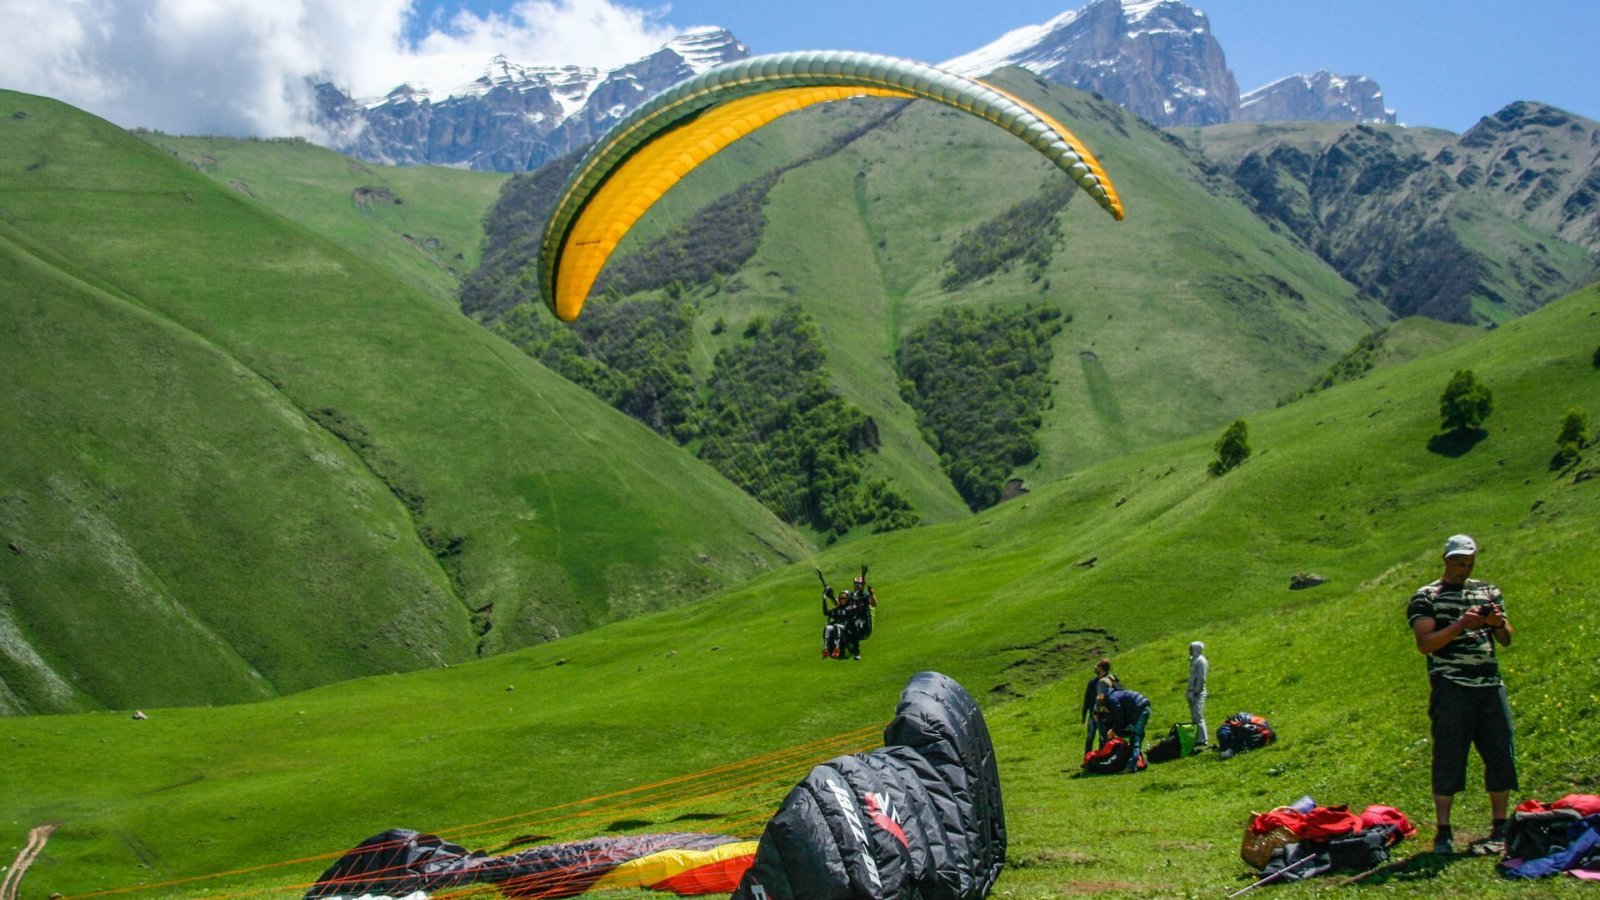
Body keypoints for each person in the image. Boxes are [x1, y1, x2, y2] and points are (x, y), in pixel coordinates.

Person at [1407, 533, 1516, 856]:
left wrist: (1496, 624)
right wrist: (1460, 626)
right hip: (1452, 686)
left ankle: (1500, 825)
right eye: (1458, 564)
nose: (1463, 570)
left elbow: (1507, 638)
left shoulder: (1487, 590)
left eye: (1468, 564)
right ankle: (1444, 830)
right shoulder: (1426, 597)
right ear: (1446, 560)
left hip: (1489, 684)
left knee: (1500, 752)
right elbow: (1425, 643)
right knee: (1449, 755)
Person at [1096, 687, 1151, 773]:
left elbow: (1120, 717)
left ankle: (1132, 766)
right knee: (1137, 736)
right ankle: (1141, 761)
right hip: (1141, 706)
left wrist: (1113, 730)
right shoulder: (1113, 695)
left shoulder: (1111, 701)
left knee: (1135, 737)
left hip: (1139, 709)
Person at [1080, 658, 1121, 753]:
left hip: (1104, 715)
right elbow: (1087, 698)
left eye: (1097, 666)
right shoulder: (1092, 683)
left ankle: (1102, 755)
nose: (1095, 667)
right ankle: (1087, 758)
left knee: (1103, 736)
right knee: (1090, 736)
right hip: (1092, 714)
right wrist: (1084, 714)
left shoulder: (1110, 681)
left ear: (1101, 669)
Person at [840, 575, 877, 660]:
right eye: (856, 584)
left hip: (865, 627)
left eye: (859, 584)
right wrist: (830, 597)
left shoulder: (865, 596)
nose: (857, 585)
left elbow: (874, 604)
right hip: (857, 626)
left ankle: (856, 651)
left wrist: (872, 594)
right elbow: (839, 604)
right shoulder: (852, 596)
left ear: (862, 585)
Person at [1187, 641, 1210, 749]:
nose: (1189, 651)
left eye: (1191, 648)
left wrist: (1196, 691)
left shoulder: (1200, 661)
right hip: (1192, 691)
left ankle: (1202, 739)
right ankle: (1197, 737)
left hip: (1198, 692)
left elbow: (1201, 678)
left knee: (1198, 715)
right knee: (1194, 716)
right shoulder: (1194, 661)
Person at [820, 586, 849, 659]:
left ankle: (837, 647)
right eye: (841, 598)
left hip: (846, 627)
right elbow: (826, 612)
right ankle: (826, 648)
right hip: (838, 628)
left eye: (844, 598)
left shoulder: (849, 608)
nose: (842, 600)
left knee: (836, 626)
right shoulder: (837, 609)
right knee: (828, 627)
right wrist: (824, 599)